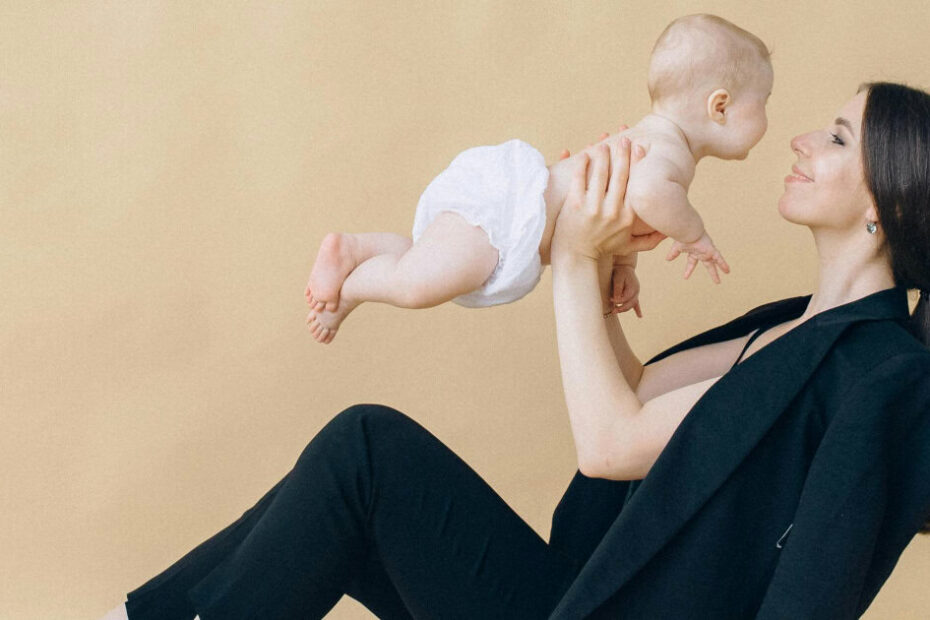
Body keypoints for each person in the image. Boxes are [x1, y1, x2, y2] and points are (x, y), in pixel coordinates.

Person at [101, 82, 930, 619]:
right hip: (576, 593)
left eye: (836, 138)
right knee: (354, 483)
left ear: (886, 202)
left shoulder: (886, 373)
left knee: (366, 451)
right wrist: (605, 267)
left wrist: (570, 254)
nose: (801, 144)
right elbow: (635, 398)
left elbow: (609, 448)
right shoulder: (791, 327)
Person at [303, 14, 773, 344]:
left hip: (509, 208)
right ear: (721, 106)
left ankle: (358, 254)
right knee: (416, 286)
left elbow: (619, 207)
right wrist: (695, 236)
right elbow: (649, 193)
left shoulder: (656, 143)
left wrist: (624, 267)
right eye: (763, 103)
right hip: (510, 213)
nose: (767, 117)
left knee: (423, 260)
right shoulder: (669, 152)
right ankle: (354, 285)